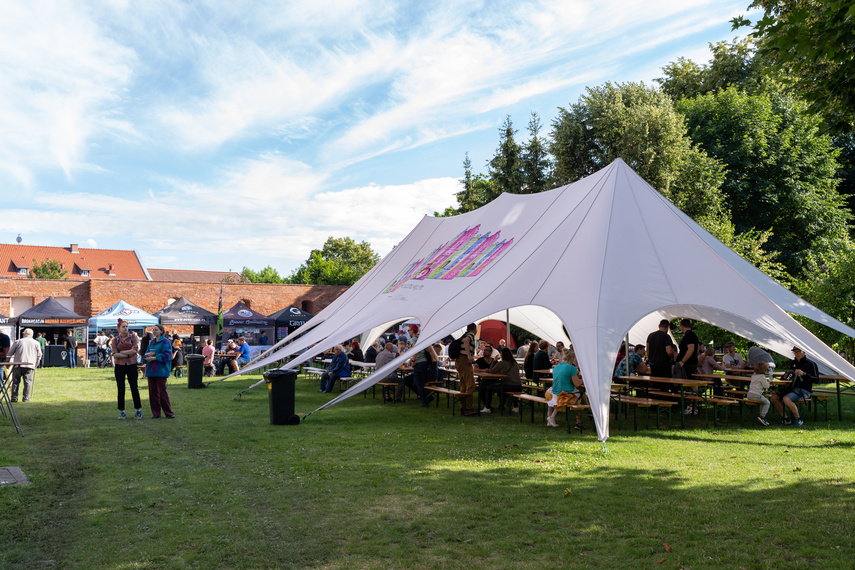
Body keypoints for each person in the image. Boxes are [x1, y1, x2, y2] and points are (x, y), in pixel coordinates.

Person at [770, 346, 819, 427]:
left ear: (804, 352)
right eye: (794, 352)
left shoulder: (811, 364)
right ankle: (785, 418)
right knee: (774, 397)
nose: (796, 354)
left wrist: (804, 374)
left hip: (804, 390)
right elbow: (789, 376)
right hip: (790, 388)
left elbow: (816, 380)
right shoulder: (793, 363)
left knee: (786, 399)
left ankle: (798, 418)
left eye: (798, 352)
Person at [111, 319, 142, 420]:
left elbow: (135, 350)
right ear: (119, 328)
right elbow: (114, 353)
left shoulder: (133, 337)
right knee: (121, 388)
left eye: (126, 326)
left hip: (132, 364)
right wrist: (128, 353)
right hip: (119, 366)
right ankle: (122, 411)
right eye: (123, 326)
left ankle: (138, 410)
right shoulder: (115, 340)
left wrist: (123, 352)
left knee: (134, 387)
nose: (125, 328)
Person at [546, 350, 584, 430]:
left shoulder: (556, 367)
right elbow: (577, 384)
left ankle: (550, 417)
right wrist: (582, 380)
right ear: (571, 358)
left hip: (554, 392)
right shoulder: (572, 368)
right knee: (580, 397)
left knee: (579, 395)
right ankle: (579, 422)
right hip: (565, 393)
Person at [144, 324, 174, 419]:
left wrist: (155, 357)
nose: (154, 331)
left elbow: (168, 356)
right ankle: (156, 413)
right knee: (153, 393)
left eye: (156, 330)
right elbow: (146, 354)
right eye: (153, 330)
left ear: (161, 331)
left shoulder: (165, 342)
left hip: (161, 370)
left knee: (162, 392)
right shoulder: (152, 342)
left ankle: (168, 413)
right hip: (151, 371)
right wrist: (147, 356)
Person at [6, 328, 42, 402]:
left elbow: (10, 353)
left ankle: (14, 397)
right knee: (28, 382)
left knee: (15, 381)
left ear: (24, 334)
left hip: (18, 364)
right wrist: (36, 365)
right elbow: (39, 355)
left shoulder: (18, 341)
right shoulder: (36, 343)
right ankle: (25, 398)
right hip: (30, 365)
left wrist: (8, 362)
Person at [482, 347, 522, 413]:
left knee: (489, 388)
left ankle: (487, 407)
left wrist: (494, 360)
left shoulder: (502, 363)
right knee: (501, 387)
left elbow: (492, 371)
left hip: (509, 385)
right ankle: (515, 407)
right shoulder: (515, 363)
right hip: (518, 386)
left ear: (502, 355)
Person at [675, 319, 700, 414]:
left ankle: (693, 407)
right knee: (690, 385)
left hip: (689, 364)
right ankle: (691, 406)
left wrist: (682, 361)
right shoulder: (690, 335)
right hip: (689, 363)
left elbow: (691, 349)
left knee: (692, 385)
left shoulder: (689, 335)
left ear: (682, 325)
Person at [455, 323, 478, 416]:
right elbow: (466, 340)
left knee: (463, 385)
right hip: (464, 360)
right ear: (474, 329)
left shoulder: (464, 334)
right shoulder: (470, 335)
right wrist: (469, 355)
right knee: (471, 385)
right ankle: (468, 409)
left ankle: (462, 407)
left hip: (459, 361)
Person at [747, 361, 772, 426]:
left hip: (749, 394)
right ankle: (762, 416)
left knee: (762, 402)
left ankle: (762, 417)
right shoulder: (762, 376)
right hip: (756, 395)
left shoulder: (754, 375)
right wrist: (768, 382)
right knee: (767, 402)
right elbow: (766, 386)